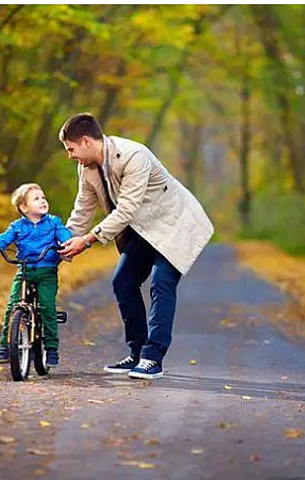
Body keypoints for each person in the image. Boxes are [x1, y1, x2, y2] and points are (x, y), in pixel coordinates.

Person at [58, 113, 214, 380]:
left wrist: (87, 241)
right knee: (123, 282)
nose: (70, 156)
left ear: (85, 141)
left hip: (174, 224)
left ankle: (153, 358)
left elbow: (127, 210)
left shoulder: (133, 155)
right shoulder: (86, 169)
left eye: (71, 149)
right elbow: (82, 211)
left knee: (161, 282)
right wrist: (61, 247)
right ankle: (138, 352)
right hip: (144, 229)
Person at [0, 183, 72, 366]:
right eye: (36, 199)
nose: (42, 201)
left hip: (46, 271)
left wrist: (67, 243)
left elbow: (64, 235)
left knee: (47, 306)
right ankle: (6, 346)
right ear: (23, 207)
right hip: (25, 271)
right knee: (12, 306)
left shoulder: (54, 223)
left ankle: (51, 347)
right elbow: (5, 239)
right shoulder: (17, 226)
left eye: (43, 197)